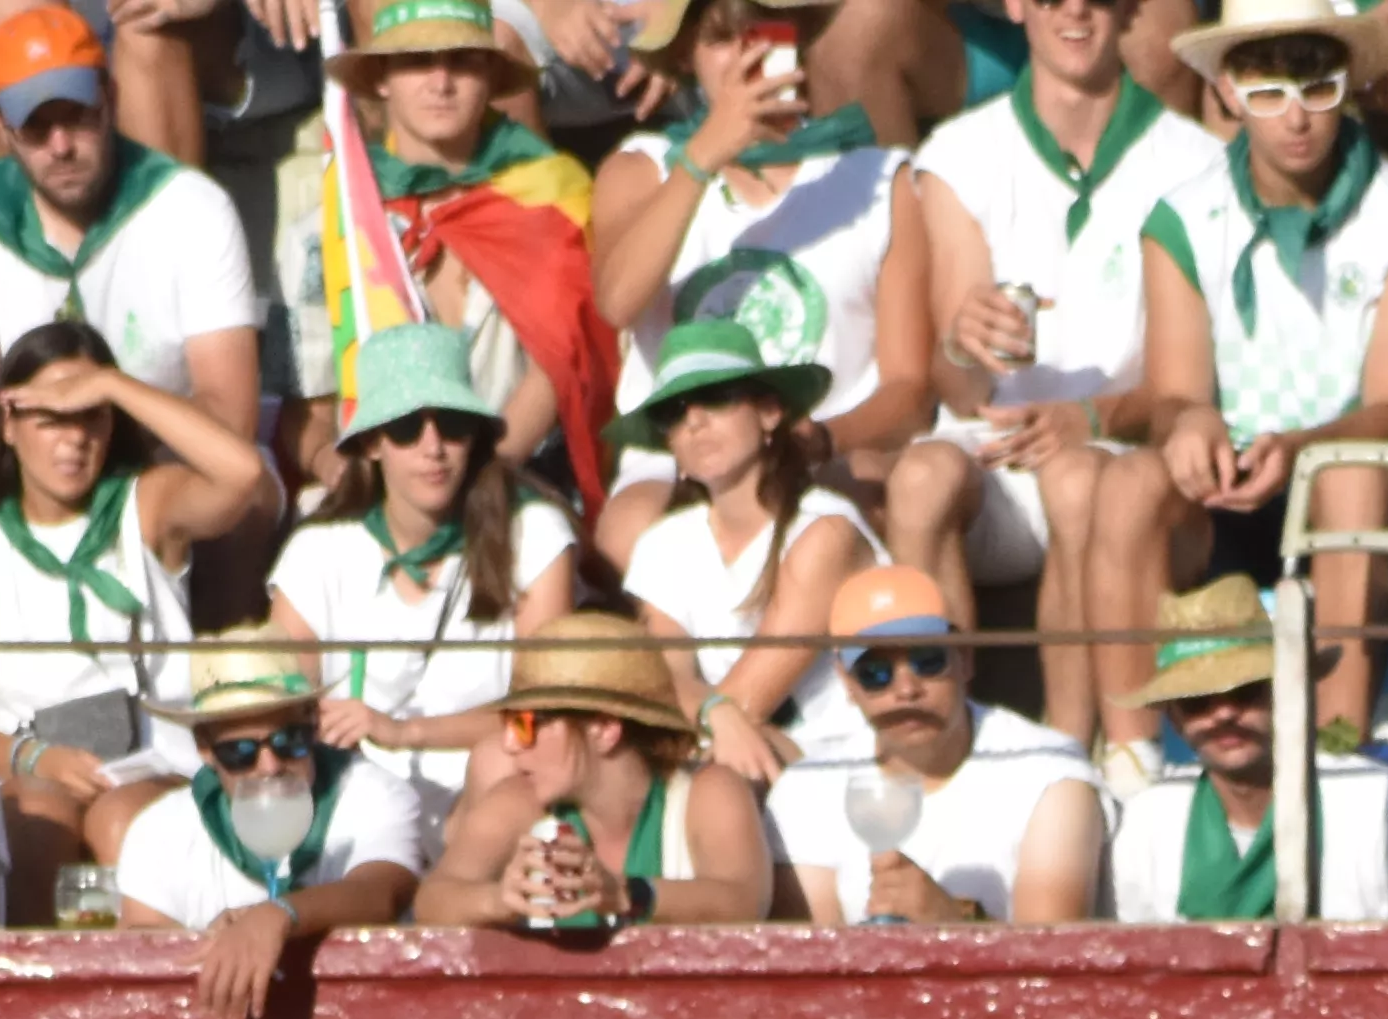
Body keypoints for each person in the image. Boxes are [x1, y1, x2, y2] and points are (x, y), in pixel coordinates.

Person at [883, 0, 1217, 769]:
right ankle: (945, 746)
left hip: (1119, 456)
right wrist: (963, 343)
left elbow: (1185, 386)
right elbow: (956, 386)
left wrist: (1091, 414)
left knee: (1074, 477)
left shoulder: (1194, 163)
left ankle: (1065, 756)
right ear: (1015, 5)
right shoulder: (958, 155)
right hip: (998, 453)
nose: (1073, 8)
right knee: (921, 475)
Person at [1131, 0, 1388, 754]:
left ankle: (1336, 744)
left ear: (1349, 89)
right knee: (1126, 487)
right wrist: (1189, 423)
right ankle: (1129, 750)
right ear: (1231, 93)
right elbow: (1175, 393)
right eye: (1270, 90)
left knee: (1346, 476)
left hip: (1352, 486)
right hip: (1230, 487)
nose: (1297, 115)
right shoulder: (1180, 219)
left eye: (1318, 87)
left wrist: (1299, 448)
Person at [0, 315, 266, 881]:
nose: (76, 437)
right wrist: (38, 758)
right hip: (20, 760)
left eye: (92, 417)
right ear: (8, 424)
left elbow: (244, 472)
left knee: (121, 824)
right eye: (54, 417)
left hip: (149, 759)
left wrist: (113, 385)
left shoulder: (145, 505)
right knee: (34, 821)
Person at [0, 4, 272, 552]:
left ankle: (220, 639)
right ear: (1, 124)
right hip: (35, 471)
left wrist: (99, 426)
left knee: (249, 495)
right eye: (37, 126)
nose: (60, 145)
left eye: (77, 116)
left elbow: (229, 417)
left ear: (110, 98)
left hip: (160, 463)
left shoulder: (191, 206)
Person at [589, 0, 924, 474]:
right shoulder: (638, 170)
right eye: (724, 40)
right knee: (632, 526)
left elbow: (909, 388)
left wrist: (820, 439)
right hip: (678, 466)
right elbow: (618, 303)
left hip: (831, 459)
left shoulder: (880, 179)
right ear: (685, 54)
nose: (748, 56)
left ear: (798, 42)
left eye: (764, 33)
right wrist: (704, 155)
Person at [284, 0, 607, 479]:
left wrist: (476, 483)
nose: (441, 82)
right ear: (380, 78)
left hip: (524, 477)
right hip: (379, 494)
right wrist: (354, 480)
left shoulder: (555, 198)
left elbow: (563, 365)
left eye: (463, 60)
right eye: (416, 60)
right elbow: (309, 417)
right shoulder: (327, 229)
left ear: (492, 77)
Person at [271, 318, 583, 805]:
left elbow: (538, 717)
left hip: (495, 795)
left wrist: (402, 732)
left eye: (453, 424)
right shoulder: (315, 552)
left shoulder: (535, 536)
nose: (433, 446)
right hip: (356, 799)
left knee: (499, 765)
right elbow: (282, 711)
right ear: (372, 444)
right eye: (406, 427)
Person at [104, 611, 434, 1019]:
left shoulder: (373, 794)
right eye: (239, 751)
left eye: (289, 742)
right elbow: (139, 939)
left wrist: (278, 915)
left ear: (313, 725)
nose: (268, 766)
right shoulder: (159, 830)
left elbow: (381, 892)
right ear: (205, 749)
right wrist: (205, 939)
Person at [603, 307, 879, 783]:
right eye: (674, 411)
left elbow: (755, 696)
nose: (694, 420)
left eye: (714, 396)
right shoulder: (663, 543)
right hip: (724, 749)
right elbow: (666, 678)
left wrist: (714, 713)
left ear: (769, 412)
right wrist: (714, 711)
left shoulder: (825, 530)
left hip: (845, 768)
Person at [1099, 569, 1388, 913]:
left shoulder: (1383, 802)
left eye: (1245, 691)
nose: (1223, 714)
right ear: (1174, 719)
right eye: (1197, 701)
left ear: (1289, 691)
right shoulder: (1148, 820)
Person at [765, 557, 1108, 913]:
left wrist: (948, 924)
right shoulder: (808, 787)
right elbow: (815, 957)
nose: (907, 689)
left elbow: (1051, 957)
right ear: (846, 682)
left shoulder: (1046, 773)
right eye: (875, 672)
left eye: (927, 660)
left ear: (963, 657)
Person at [415, 600, 786, 923]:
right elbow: (433, 899)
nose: (510, 745)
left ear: (604, 729)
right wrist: (497, 900)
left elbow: (742, 899)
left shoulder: (707, 792)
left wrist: (627, 894)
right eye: (510, 723)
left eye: (527, 725)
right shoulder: (517, 801)